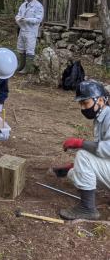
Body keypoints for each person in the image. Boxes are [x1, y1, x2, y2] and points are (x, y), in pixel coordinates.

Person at [54, 80, 110, 220]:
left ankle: (87, 209)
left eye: (86, 103)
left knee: (83, 156)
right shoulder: (101, 117)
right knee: (74, 173)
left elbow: (108, 149)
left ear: (101, 100)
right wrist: (74, 166)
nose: (83, 108)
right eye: (81, 104)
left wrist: (80, 143)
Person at [15, 0, 44, 74]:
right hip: (22, 30)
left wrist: (26, 19)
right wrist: (18, 18)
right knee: (21, 48)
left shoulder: (38, 6)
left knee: (29, 50)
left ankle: (28, 68)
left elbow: (38, 19)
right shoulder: (23, 5)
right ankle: (21, 65)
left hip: (31, 31)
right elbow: (19, 14)